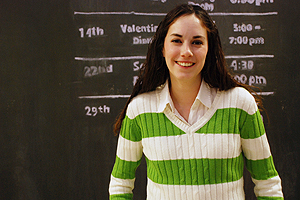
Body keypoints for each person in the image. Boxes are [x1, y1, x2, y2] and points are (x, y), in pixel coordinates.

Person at [109, 3, 284, 200]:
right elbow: (120, 184)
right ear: (162, 48)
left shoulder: (240, 104)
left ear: (209, 49)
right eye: (176, 40)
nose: (186, 52)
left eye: (197, 42)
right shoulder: (139, 110)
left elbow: (267, 183)